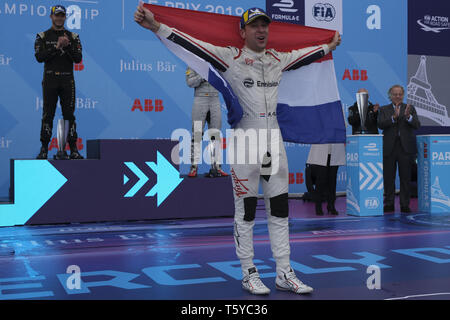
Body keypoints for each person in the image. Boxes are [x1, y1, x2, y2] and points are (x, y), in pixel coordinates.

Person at [134, 5, 341, 295]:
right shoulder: (230, 57)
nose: (261, 30)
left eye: (264, 25)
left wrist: (328, 46)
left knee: (280, 210)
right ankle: (248, 272)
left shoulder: (277, 59)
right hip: (245, 141)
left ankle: (284, 271)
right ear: (242, 32)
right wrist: (157, 27)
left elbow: (306, 55)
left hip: (274, 142)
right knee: (245, 211)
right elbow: (190, 43)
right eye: (254, 26)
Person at [34, 5, 84, 160]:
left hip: (67, 80)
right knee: (48, 114)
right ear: (51, 17)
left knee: (69, 115)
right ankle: (44, 149)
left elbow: (78, 58)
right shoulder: (42, 36)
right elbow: (39, 57)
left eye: (62, 15)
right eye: (57, 15)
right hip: (50, 80)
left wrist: (67, 45)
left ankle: (74, 149)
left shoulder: (73, 36)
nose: (59, 18)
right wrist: (56, 47)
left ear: (65, 17)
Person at [377, 85, 420, 213]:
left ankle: (404, 204)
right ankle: (389, 203)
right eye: (395, 94)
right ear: (390, 95)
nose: (397, 96)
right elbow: (380, 124)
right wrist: (393, 118)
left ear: (403, 95)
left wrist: (408, 117)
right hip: (389, 148)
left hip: (405, 148)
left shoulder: (410, 108)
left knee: (405, 178)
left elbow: (417, 125)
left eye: (400, 94)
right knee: (388, 178)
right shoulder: (384, 109)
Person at [185, 67, 228, 178]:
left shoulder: (215, 64)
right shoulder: (193, 63)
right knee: (197, 135)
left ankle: (217, 167)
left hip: (215, 99)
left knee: (215, 135)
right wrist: (204, 75)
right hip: (200, 100)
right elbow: (190, 83)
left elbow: (225, 81)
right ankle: (194, 167)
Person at [306, 144, 345, 215]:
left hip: (335, 150)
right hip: (320, 149)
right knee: (320, 180)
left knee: (332, 180)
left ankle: (331, 205)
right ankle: (318, 206)